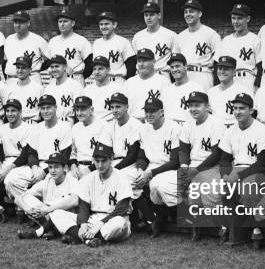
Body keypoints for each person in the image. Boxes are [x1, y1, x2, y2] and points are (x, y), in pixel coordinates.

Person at [213, 93, 265, 250]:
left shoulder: (262, 130)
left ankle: (257, 228)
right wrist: (226, 175)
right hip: (237, 168)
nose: (238, 112)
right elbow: (224, 159)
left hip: (258, 170)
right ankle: (231, 228)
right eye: (235, 108)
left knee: (248, 189)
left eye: (242, 108)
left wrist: (238, 175)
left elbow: (262, 163)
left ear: (251, 111)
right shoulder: (230, 130)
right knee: (223, 187)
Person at [50, 144, 133, 247]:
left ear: (111, 159)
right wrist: (83, 225)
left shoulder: (121, 177)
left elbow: (122, 208)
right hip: (93, 219)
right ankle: (89, 239)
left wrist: (101, 223)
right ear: (93, 160)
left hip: (113, 219)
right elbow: (83, 205)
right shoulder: (89, 178)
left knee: (119, 222)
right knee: (56, 213)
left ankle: (79, 237)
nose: (100, 165)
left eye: (103, 161)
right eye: (97, 161)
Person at [4, 95, 72, 205]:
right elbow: (31, 152)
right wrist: (35, 167)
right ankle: (34, 210)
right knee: (11, 179)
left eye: (48, 108)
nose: (45, 111)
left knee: (51, 181)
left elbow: (65, 155)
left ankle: (43, 213)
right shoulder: (37, 128)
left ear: (55, 107)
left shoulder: (64, 127)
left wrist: (44, 171)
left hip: (56, 167)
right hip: (37, 166)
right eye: (42, 108)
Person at [178, 91, 222, 242]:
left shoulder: (216, 124)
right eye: (190, 106)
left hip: (212, 166)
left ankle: (223, 225)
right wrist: (184, 166)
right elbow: (183, 148)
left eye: (197, 105)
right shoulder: (188, 123)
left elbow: (216, 154)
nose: (193, 109)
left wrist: (195, 171)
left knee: (210, 197)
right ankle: (195, 223)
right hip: (193, 166)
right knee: (188, 193)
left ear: (207, 106)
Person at [135, 98, 181, 238]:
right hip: (152, 166)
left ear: (161, 112)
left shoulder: (174, 128)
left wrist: (150, 173)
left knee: (156, 183)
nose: (148, 114)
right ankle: (150, 218)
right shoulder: (143, 129)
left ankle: (166, 216)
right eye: (146, 111)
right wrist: (140, 170)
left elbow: (175, 161)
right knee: (132, 180)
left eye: (152, 111)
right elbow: (142, 157)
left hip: (171, 169)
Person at [16, 152, 80, 240]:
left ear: (64, 168)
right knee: (27, 198)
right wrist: (26, 208)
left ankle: (43, 232)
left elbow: (75, 200)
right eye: (50, 167)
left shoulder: (72, 180)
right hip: (47, 216)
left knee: (60, 206)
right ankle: (51, 231)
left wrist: (48, 209)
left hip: (65, 219)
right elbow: (19, 197)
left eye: (56, 167)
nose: (53, 171)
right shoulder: (47, 180)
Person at [174, 0, 219, 89]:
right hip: (185, 75)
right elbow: (176, 61)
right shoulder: (180, 36)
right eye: (186, 12)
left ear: (200, 14)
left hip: (203, 74)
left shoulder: (211, 34)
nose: (188, 14)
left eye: (191, 11)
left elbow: (217, 61)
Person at [215, 4, 260, 90]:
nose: (236, 22)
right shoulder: (225, 40)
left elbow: (260, 66)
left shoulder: (255, 39)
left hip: (247, 79)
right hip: (228, 80)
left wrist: (257, 86)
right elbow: (217, 64)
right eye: (233, 18)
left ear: (248, 19)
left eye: (239, 18)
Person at [3, 10, 49, 85]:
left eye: (21, 22)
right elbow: (4, 61)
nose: (17, 25)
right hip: (11, 80)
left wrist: (36, 68)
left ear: (28, 23)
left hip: (31, 79)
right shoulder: (9, 39)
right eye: (15, 22)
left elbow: (50, 60)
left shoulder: (38, 40)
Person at [48, 9, 93, 86]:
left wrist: (80, 76)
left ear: (73, 23)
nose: (62, 24)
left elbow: (90, 65)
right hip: (56, 80)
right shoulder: (52, 41)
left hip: (75, 79)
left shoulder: (81, 41)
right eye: (60, 21)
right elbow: (48, 62)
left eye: (65, 21)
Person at [132, 2, 177, 77]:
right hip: (142, 76)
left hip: (162, 75)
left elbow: (176, 58)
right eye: (146, 15)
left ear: (159, 15)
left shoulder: (171, 35)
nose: (148, 18)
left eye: (151, 15)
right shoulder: (137, 36)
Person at [124, 48, 170, 121]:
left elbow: (168, 109)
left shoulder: (163, 81)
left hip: (154, 124)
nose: (141, 64)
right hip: (133, 124)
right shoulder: (129, 82)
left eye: (145, 61)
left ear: (154, 62)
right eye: (139, 61)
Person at [207, 56, 253, 129]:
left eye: (226, 69)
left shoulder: (244, 91)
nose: (222, 72)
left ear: (234, 72)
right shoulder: (211, 92)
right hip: (216, 131)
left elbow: (251, 115)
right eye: (220, 69)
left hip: (236, 130)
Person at [92, 11, 136, 83]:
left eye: (107, 24)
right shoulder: (96, 43)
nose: (103, 27)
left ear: (114, 25)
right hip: (100, 82)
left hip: (117, 80)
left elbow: (131, 67)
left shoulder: (123, 42)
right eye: (101, 24)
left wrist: (128, 84)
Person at [161, 53, 205, 125]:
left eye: (177, 66)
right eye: (172, 67)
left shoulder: (196, 88)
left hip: (188, 130)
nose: (174, 69)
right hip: (168, 130)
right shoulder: (166, 90)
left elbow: (203, 115)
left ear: (185, 66)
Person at [69, 96, 106, 180]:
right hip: (78, 168)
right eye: (77, 110)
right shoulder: (75, 127)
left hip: (96, 168)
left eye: (83, 109)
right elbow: (73, 153)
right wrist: (73, 166)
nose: (79, 113)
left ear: (91, 110)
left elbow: (106, 153)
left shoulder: (102, 125)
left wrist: (90, 169)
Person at [42, 54, 84, 122]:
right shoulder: (48, 88)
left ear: (65, 67)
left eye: (57, 66)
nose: (54, 69)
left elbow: (81, 111)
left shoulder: (75, 86)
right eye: (52, 67)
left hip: (68, 122)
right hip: (51, 124)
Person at [82, 56, 123, 121]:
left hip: (110, 125)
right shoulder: (86, 90)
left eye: (100, 69)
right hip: (92, 126)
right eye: (94, 69)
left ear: (108, 70)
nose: (97, 72)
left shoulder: (118, 89)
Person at [6, 56, 43, 123]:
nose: (20, 71)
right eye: (18, 68)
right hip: (15, 124)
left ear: (30, 70)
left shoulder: (39, 88)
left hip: (32, 124)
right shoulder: (9, 88)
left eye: (23, 68)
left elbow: (43, 111)